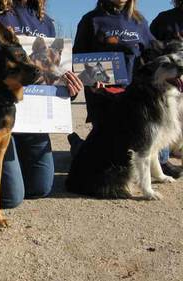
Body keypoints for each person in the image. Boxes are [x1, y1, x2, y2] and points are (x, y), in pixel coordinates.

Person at [0, 0, 83, 208]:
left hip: (34, 120)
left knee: (40, 187)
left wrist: (69, 89)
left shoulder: (44, 21)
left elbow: (53, 76)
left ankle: (12, 169)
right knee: (10, 196)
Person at [69, 0, 182, 179]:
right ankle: (77, 146)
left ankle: (160, 160)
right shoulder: (90, 20)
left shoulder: (139, 21)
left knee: (148, 144)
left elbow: (155, 54)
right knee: (109, 160)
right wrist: (91, 80)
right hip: (104, 100)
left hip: (134, 99)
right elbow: (77, 60)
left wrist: (176, 49)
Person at [150, 0, 183, 172]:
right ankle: (161, 160)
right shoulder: (164, 19)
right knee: (165, 121)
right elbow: (150, 50)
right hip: (169, 83)